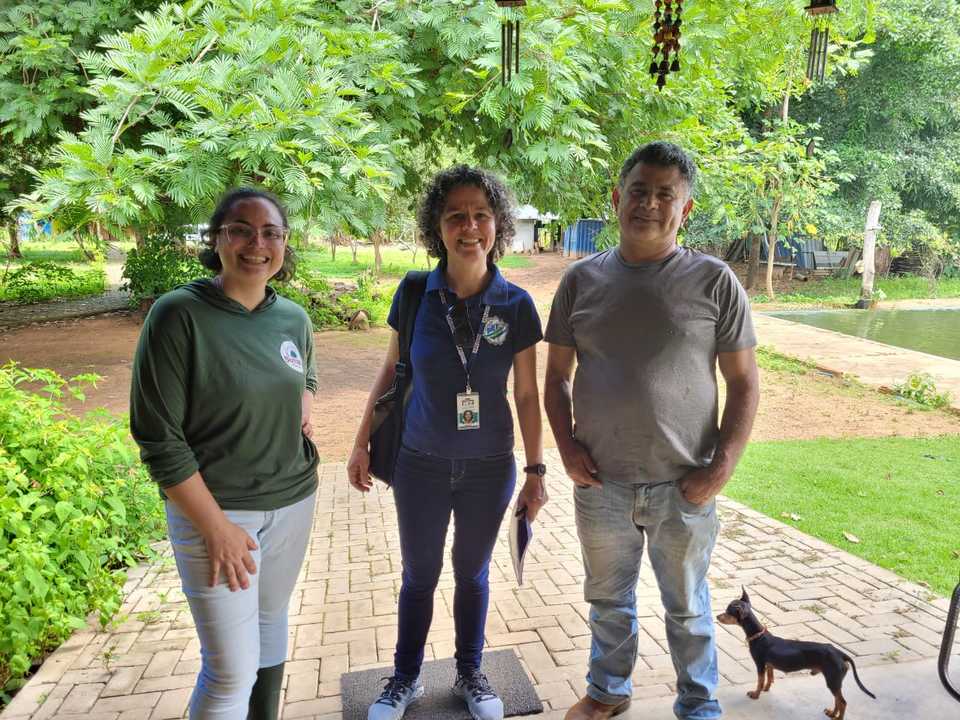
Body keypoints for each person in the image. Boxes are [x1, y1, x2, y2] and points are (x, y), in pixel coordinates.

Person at [543, 142, 760, 720]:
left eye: (666, 194)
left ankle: (698, 703)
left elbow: (744, 384)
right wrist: (565, 450)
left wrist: (721, 469)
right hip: (601, 485)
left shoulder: (715, 282)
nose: (649, 204)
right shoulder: (579, 282)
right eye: (639, 190)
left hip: (684, 486)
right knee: (608, 601)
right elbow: (556, 378)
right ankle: (608, 691)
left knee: (688, 606)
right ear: (617, 198)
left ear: (684, 211)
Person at [347, 165, 548, 720]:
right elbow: (389, 373)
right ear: (437, 226)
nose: (469, 226)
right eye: (455, 215)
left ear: (498, 224)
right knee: (419, 575)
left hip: (489, 468)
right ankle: (404, 678)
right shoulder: (415, 293)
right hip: (420, 465)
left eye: (481, 215)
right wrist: (361, 443)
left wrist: (536, 473)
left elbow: (528, 397)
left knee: (473, 573)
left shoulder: (516, 304)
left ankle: (469, 671)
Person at [130, 188, 319, 720]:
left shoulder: (293, 319)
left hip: (293, 500)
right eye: (240, 229)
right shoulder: (178, 316)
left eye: (271, 233)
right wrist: (214, 526)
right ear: (216, 240)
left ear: (284, 244)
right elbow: (157, 437)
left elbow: (305, 370)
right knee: (230, 670)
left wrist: (304, 397)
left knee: (270, 622)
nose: (256, 243)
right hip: (215, 511)